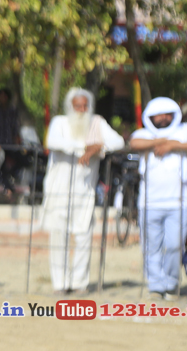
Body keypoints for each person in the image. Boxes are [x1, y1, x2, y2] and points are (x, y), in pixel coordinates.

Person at [41, 88, 124, 292]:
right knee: (59, 236)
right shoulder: (59, 122)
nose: (82, 110)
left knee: (84, 236)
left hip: (85, 190)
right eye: (78, 106)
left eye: (86, 106)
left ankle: (79, 283)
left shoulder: (96, 123)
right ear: (70, 106)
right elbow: (53, 142)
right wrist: (88, 146)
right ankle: (60, 284)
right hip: (59, 189)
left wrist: (99, 147)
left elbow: (119, 142)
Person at [128, 97, 187, 298]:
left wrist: (174, 145)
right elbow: (134, 143)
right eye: (159, 114)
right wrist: (161, 142)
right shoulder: (144, 133)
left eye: (167, 114)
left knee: (174, 245)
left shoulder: (185, 130)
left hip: (179, 202)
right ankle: (155, 286)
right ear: (150, 116)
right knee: (151, 246)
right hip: (149, 203)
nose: (163, 118)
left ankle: (171, 284)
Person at [0, 88, 23, 192]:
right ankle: (5, 184)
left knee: (21, 159)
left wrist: (17, 139)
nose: (2, 98)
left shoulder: (13, 110)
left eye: (4, 96)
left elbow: (16, 126)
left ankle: (12, 177)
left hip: (10, 142)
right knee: (1, 160)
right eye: (0, 96)